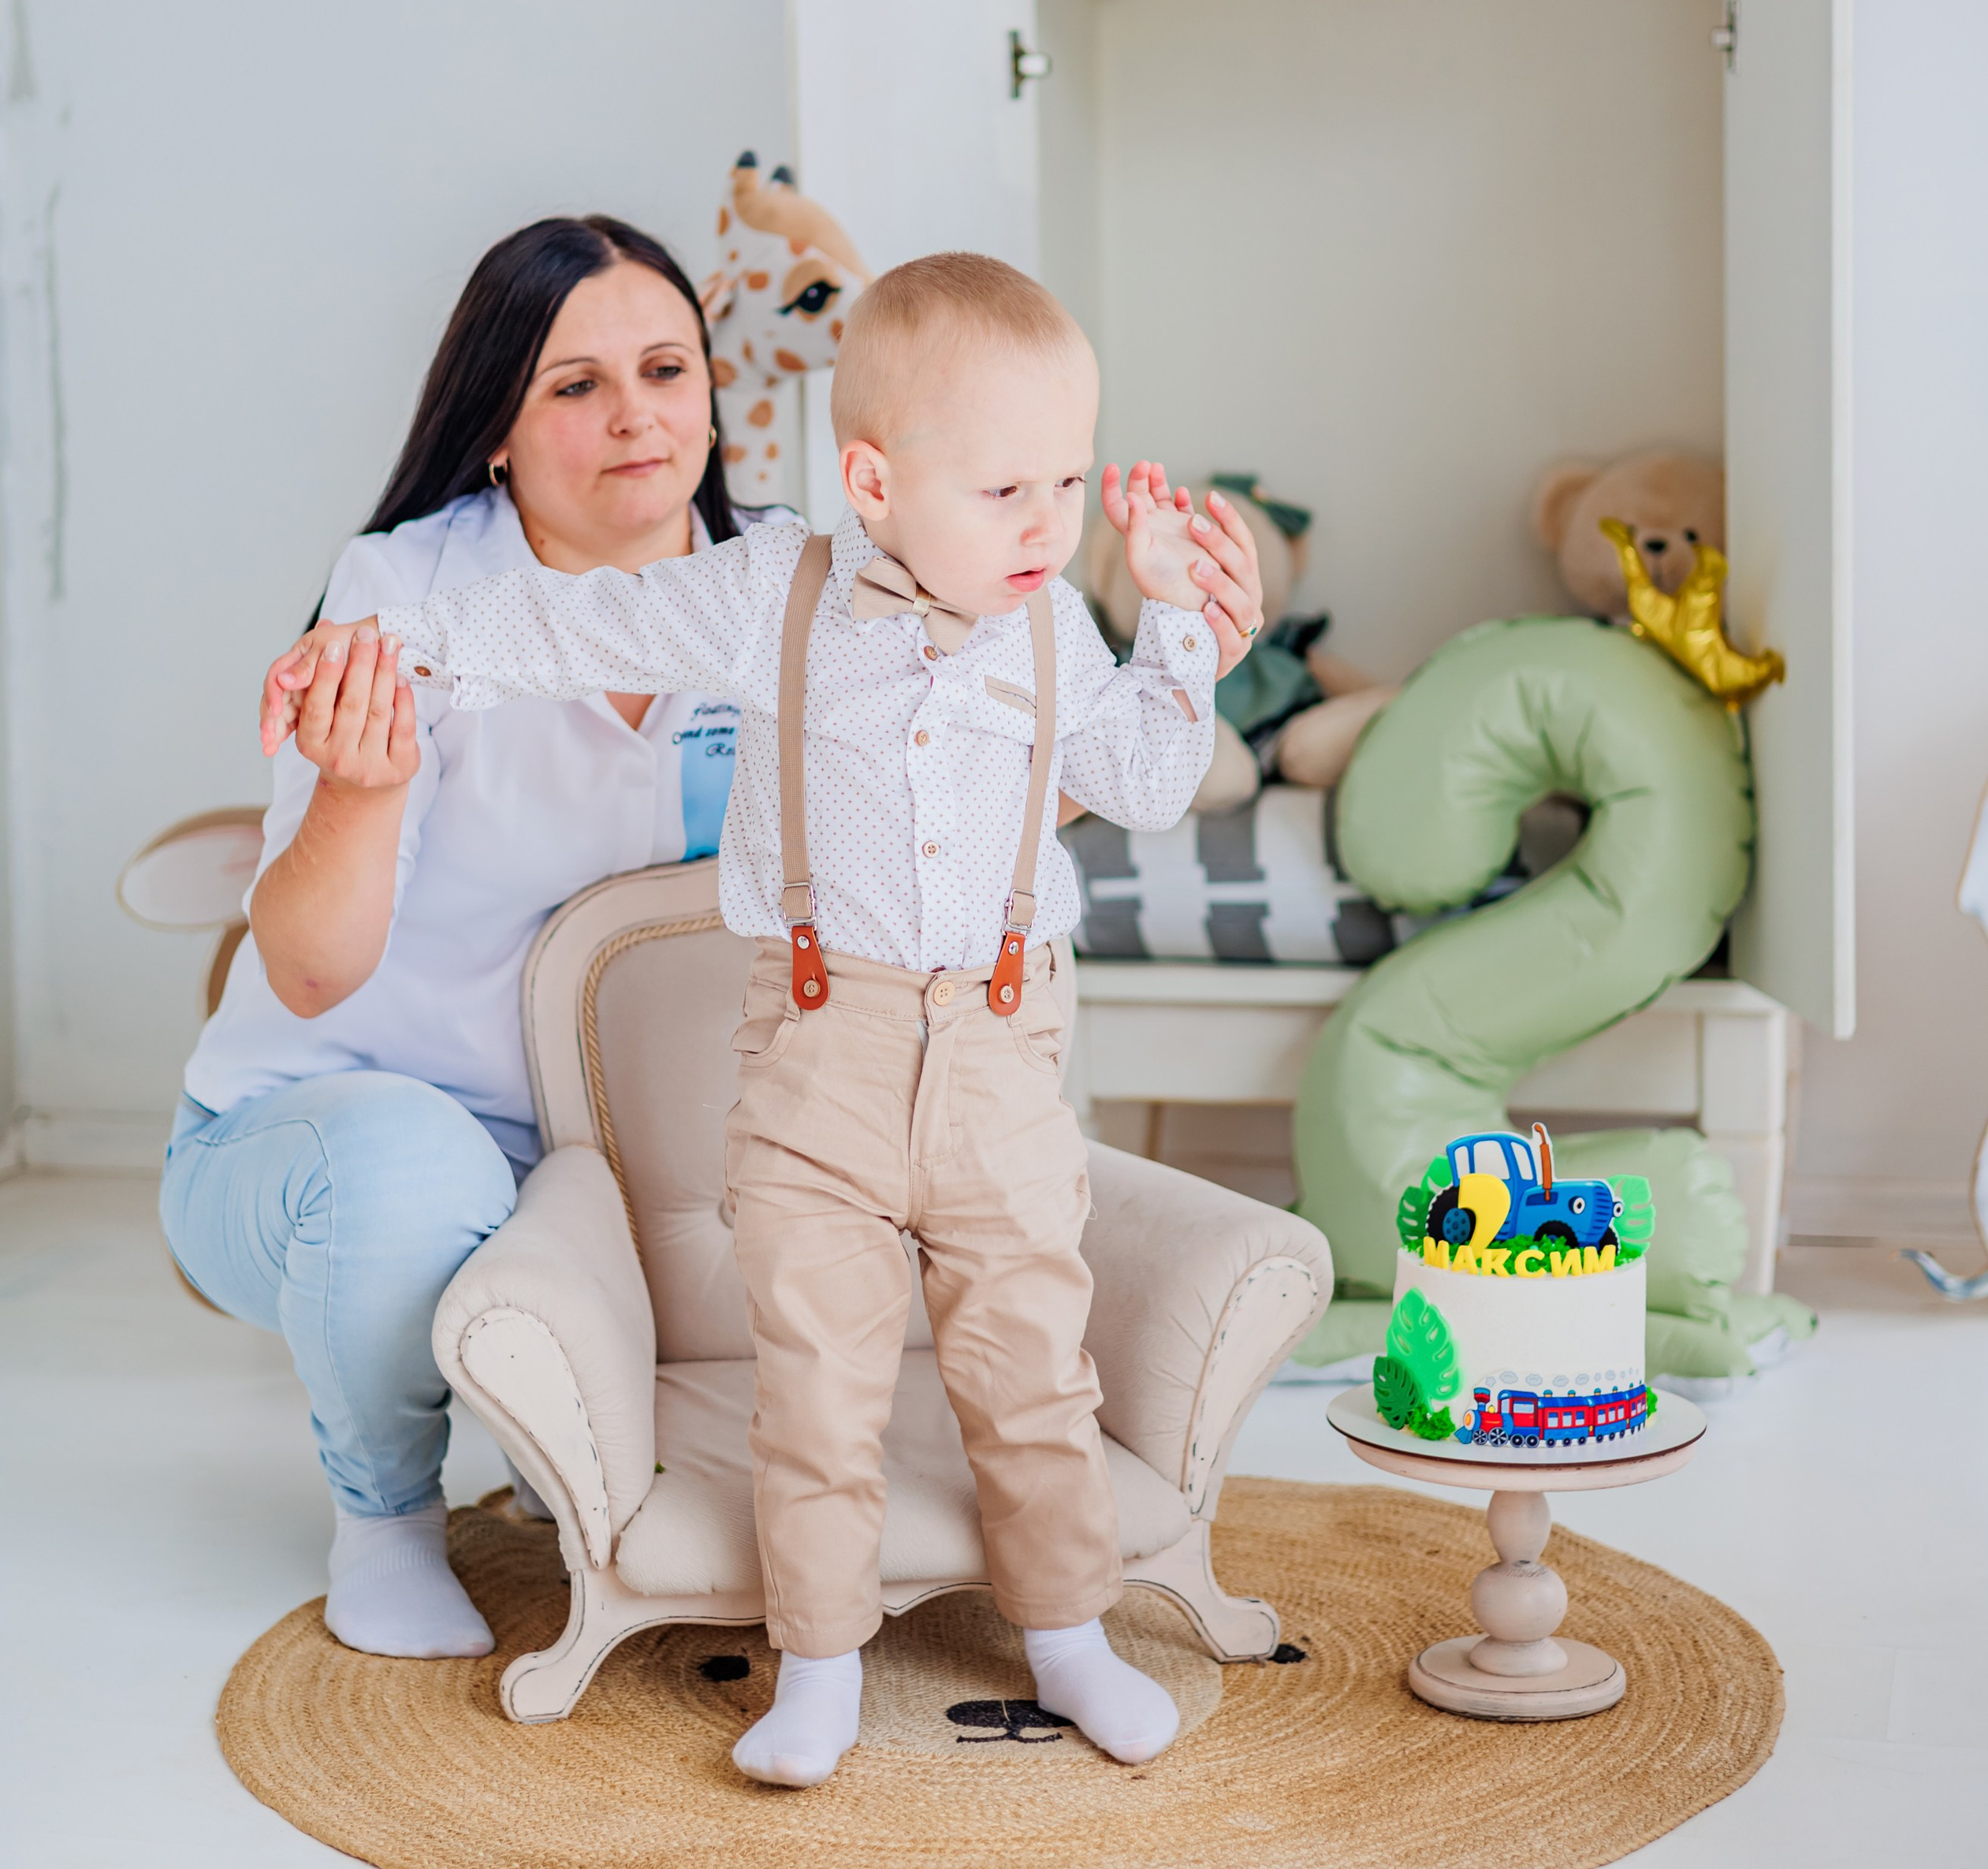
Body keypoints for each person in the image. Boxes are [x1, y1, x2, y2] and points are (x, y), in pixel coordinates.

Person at [261, 254, 1264, 1785]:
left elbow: (1134, 781)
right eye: (1005, 489)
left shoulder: (1052, 623)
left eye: (1064, 483)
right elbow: (565, 633)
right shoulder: (766, 591)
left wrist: (1182, 632)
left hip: (1000, 1048)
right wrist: (380, 654)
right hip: (818, 1051)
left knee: (1028, 1359)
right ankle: (817, 1662)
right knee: (820, 1372)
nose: (1045, 525)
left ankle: (1069, 1634)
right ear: (873, 478)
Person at [165, 215, 782, 1662]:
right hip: (326, 1157)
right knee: (411, 1163)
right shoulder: (404, 597)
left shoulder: (778, 590)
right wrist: (364, 788)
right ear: (495, 430)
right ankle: (384, 1517)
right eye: (574, 385)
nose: (635, 414)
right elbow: (313, 968)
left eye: (665, 367)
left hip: (630, 1170)